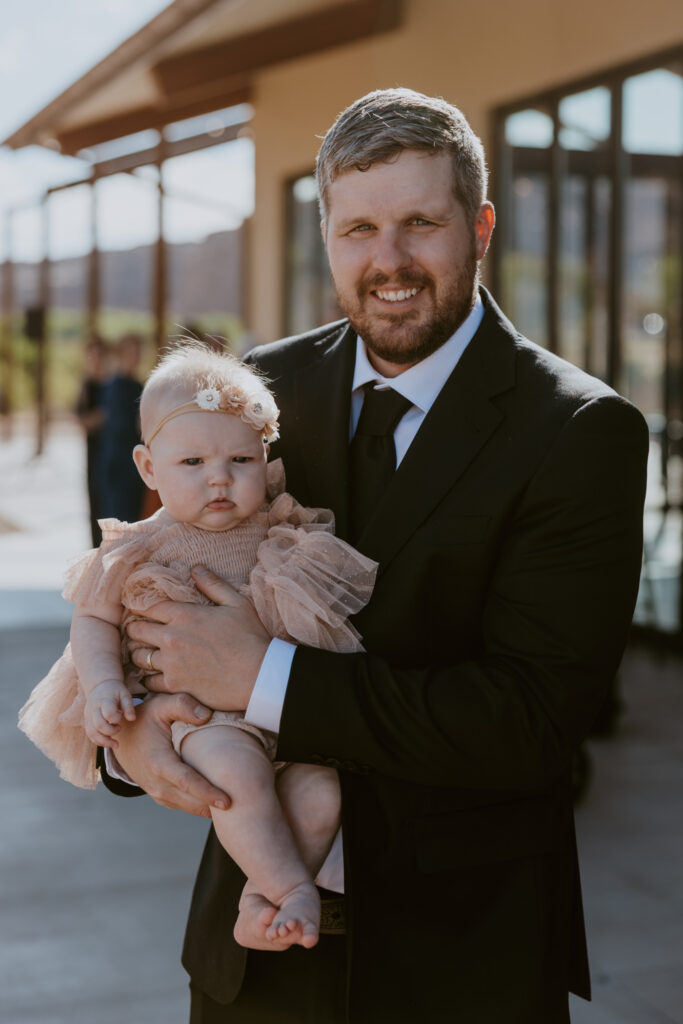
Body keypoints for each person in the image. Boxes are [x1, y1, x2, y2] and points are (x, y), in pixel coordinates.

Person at [104, 89, 649, 1023]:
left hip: (461, 960)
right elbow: (157, 583)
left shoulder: (579, 431)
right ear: (325, 234)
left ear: (477, 227)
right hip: (251, 965)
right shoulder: (260, 393)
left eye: (418, 224)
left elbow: (528, 721)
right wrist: (135, 744)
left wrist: (260, 673)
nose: (387, 261)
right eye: (357, 228)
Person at [19, 345, 376, 950]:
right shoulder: (140, 546)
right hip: (203, 717)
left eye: (241, 458)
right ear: (148, 467)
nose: (220, 477)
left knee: (321, 790)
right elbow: (94, 620)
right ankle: (292, 890)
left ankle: (260, 901)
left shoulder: (284, 528)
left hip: (292, 711)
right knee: (236, 775)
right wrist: (106, 684)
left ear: (266, 460)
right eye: (193, 461)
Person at [96, 332, 145, 522]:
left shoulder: (137, 385)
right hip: (118, 463)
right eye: (132, 352)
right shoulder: (115, 386)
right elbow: (121, 425)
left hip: (133, 463)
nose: (136, 356)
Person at [74, 333, 107, 546]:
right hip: (94, 451)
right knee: (95, 500)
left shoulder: (112, 384)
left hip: (112, 451)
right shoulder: (87, 385)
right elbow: (82, 418)